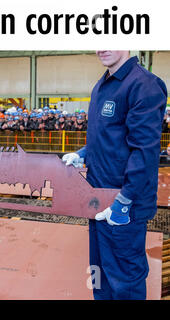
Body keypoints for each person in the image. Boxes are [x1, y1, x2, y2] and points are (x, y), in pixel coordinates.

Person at [62, 51, 167, 300]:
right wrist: (84, 153)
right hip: (98, 199)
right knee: (101, 275)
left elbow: (144, 151)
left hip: (123, 207)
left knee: (125, 281)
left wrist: (124, 200)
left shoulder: (144, 85)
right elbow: (110, 138)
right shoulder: (102, 85)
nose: (103, 47)